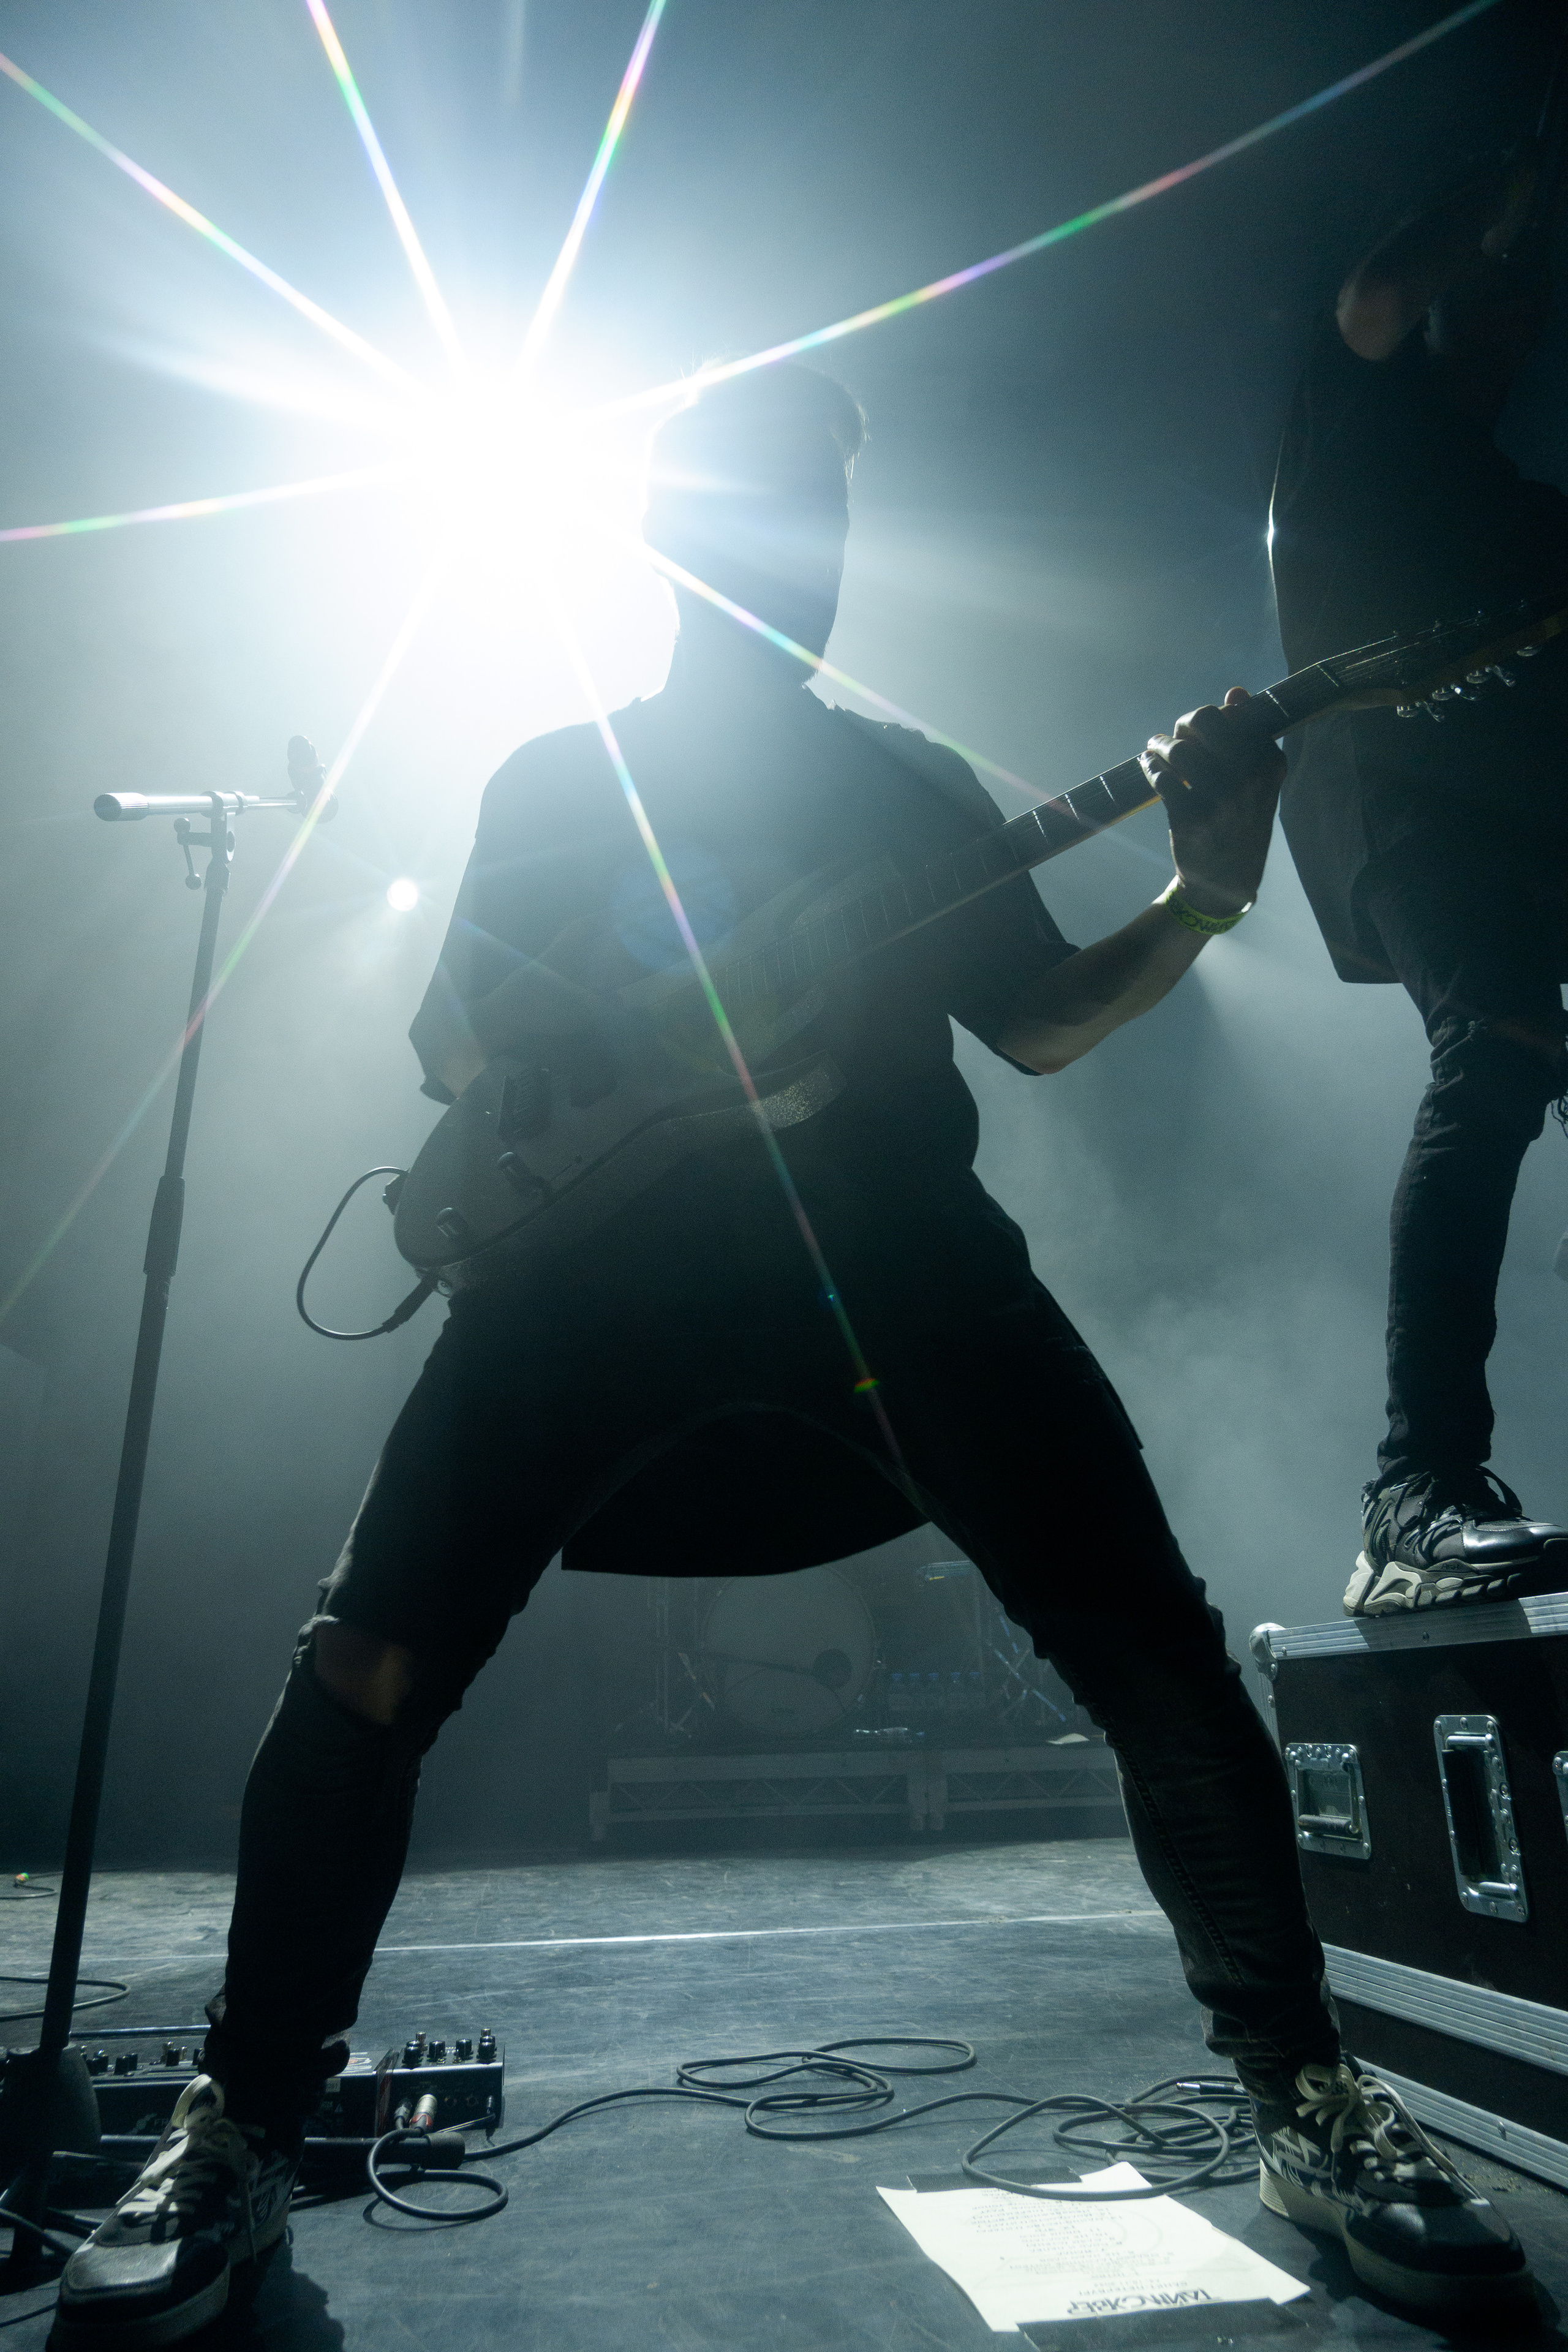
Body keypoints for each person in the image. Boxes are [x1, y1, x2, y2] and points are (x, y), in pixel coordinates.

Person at [57, 365, 1531, 2344]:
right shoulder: (562, 776)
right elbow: (451, 1049)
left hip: (900, 1262)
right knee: (367, 1662)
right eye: (768, 512)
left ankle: (1307, 2098)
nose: (806, 557)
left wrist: (1205, 878)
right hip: (594, 1268)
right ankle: (234, 2131)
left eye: (827, 519)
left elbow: (1034, 1021)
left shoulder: (911, 779)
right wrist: (670, 1016)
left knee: (1163, 1663)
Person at [1270, 148, 1568, 1618]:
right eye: (1481, 305)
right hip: (1396, 804)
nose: (1503, 326)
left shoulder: (1524, 511)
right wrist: (1499, 201)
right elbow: (1375, 293)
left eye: (1526, 313)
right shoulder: (1358, 423)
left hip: (1521, 832)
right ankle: (1414, 1489)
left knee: (1517, 1049)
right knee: (1497, 1039)